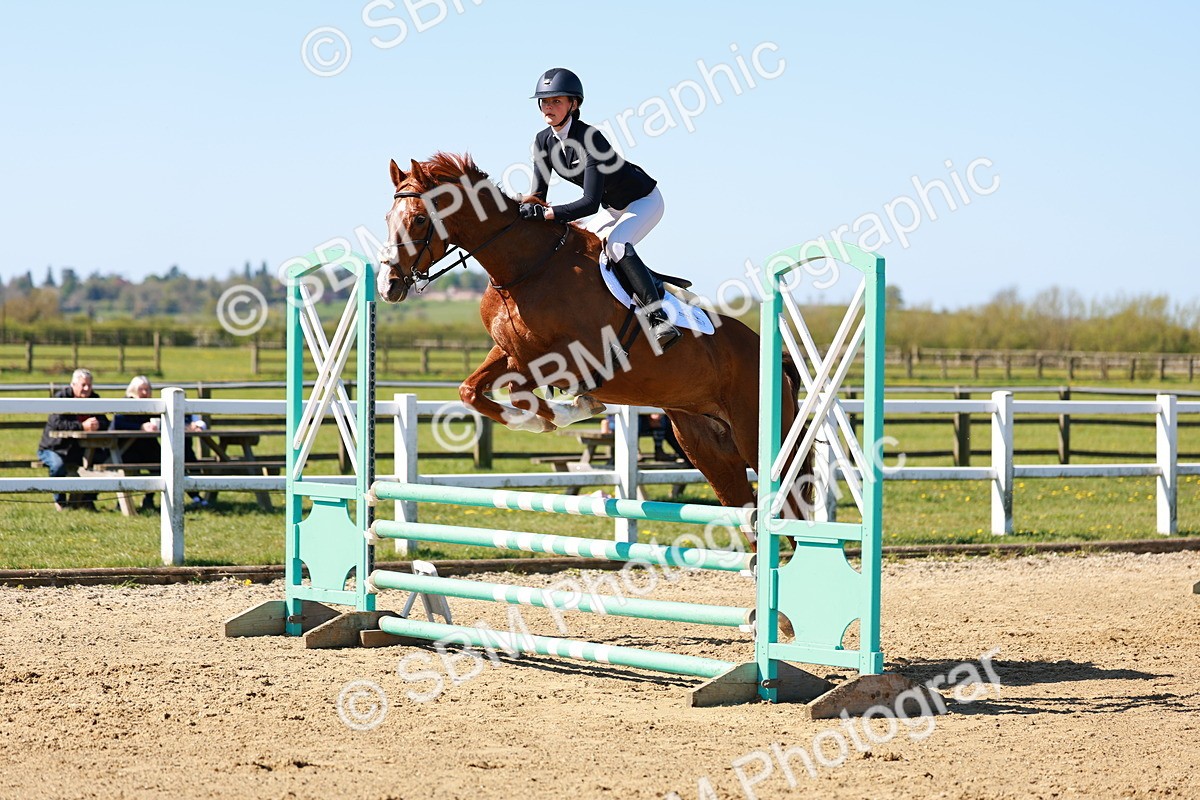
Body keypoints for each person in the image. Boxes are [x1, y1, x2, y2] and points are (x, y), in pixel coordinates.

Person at [520, 67, 681, 352]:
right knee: (576, 248)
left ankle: (659, 318)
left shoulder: (590, 139)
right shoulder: (543, 141)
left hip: (643, 200)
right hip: (614, 208)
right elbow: (538, 196)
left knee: (616, 245)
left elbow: (589, 203)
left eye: (556, 101)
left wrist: (547, 214)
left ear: (574, 104)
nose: (548, 107)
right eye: (545, 101)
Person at [111, 376, 208, 510]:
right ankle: (122, 503)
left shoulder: (153, 405)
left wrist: (190, 425)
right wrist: (140, 427)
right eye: (141, 389)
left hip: (148, 448)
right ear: (133, 390)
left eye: (148, 389)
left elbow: (169, 418)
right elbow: (117, 424)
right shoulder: (126, 403)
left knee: (164, 463)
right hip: (126, 449)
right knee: (139, 466)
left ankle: (149, 499)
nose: (145, 393)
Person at [37, 368, 107, 511]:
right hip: (54, 448)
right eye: (83, 385)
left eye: (89, 385)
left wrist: (98, 425)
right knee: (58, 466)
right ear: (73, 385)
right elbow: (57, 423)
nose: (86, 388)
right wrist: (82, 426)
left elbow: (106, 421)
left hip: (80, 449)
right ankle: (61, 502)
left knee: (106, 462)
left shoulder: (94, 399)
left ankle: (86, 500)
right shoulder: (61, 398)